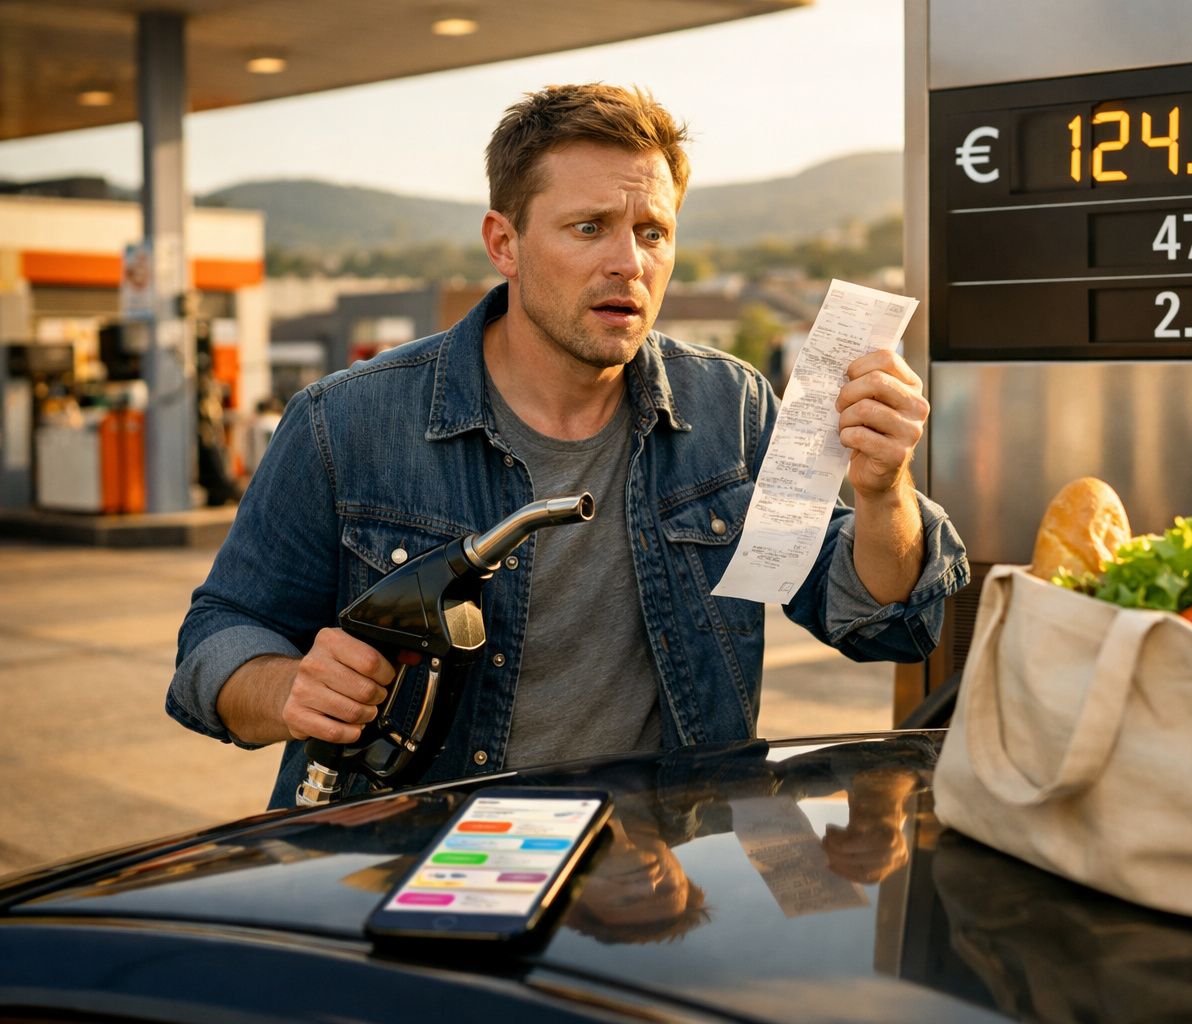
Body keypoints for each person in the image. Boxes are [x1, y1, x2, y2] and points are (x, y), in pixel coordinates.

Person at [167, 83, 969, 808]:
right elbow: (219, 635)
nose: (628, 262)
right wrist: (289, 688)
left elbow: (873, 621)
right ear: (504, 242)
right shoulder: (345, 424)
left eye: (653, 231)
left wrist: (881, 491)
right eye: (588, 228)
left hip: (659, 873)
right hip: (403, 863)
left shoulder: (729, 408)